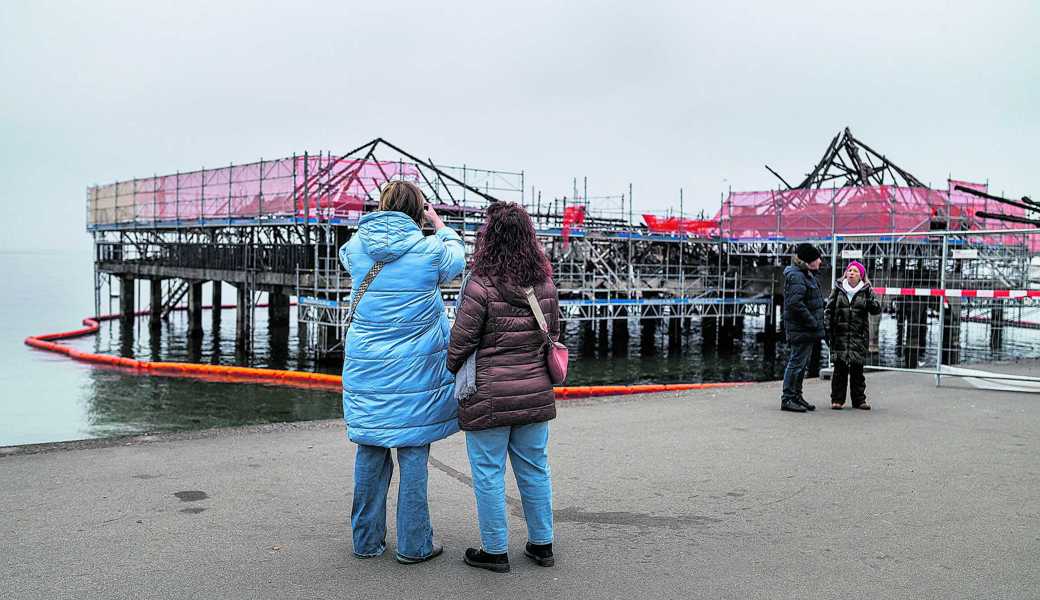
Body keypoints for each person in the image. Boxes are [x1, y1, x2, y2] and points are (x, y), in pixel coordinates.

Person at [339, 180, 465, 564]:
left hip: (367, 370)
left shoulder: (355, 250)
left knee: (370, 450)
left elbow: (349, 254)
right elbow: (458, 258)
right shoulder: (430, 252)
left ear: (382, 205)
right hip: (415, 374)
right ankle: (414, 545)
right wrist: (440, 224)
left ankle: (366, 542)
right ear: (418, 211)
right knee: (413, 455)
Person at [446, 202, 560, 573]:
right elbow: (552, 335)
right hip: (533, 392)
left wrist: (451, 368)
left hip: (490, 396)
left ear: (488, 239)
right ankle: (542, 545)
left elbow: (460, 342)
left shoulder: (481, 284)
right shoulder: (544, 283)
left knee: (488, 472)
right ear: (529, 238)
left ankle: (495, 551)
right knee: (534, 469)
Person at [824, 260, 882, 410]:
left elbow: (876, 309)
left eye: (856, 271)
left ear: (861, 276)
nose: (852, 273)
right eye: (850, 270)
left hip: (858, 335)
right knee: (839, 370)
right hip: (840, 334)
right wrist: (827, 328)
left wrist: (870, 301)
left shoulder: (866, 290)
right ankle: (837, 399)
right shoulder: (838, 289)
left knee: (857, 370)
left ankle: (859, 400)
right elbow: (829, 310)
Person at [780, 243, 826, 413]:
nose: (820, 261)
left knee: (801, 364)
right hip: (801, 328)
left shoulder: (806, 274)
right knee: (796, 363)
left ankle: (797, 396)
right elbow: (795, 304)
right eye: (817, 258)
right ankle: (788, 398)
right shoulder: (797, 276)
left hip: (806, 329)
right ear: (808, 260)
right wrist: (812, 322)